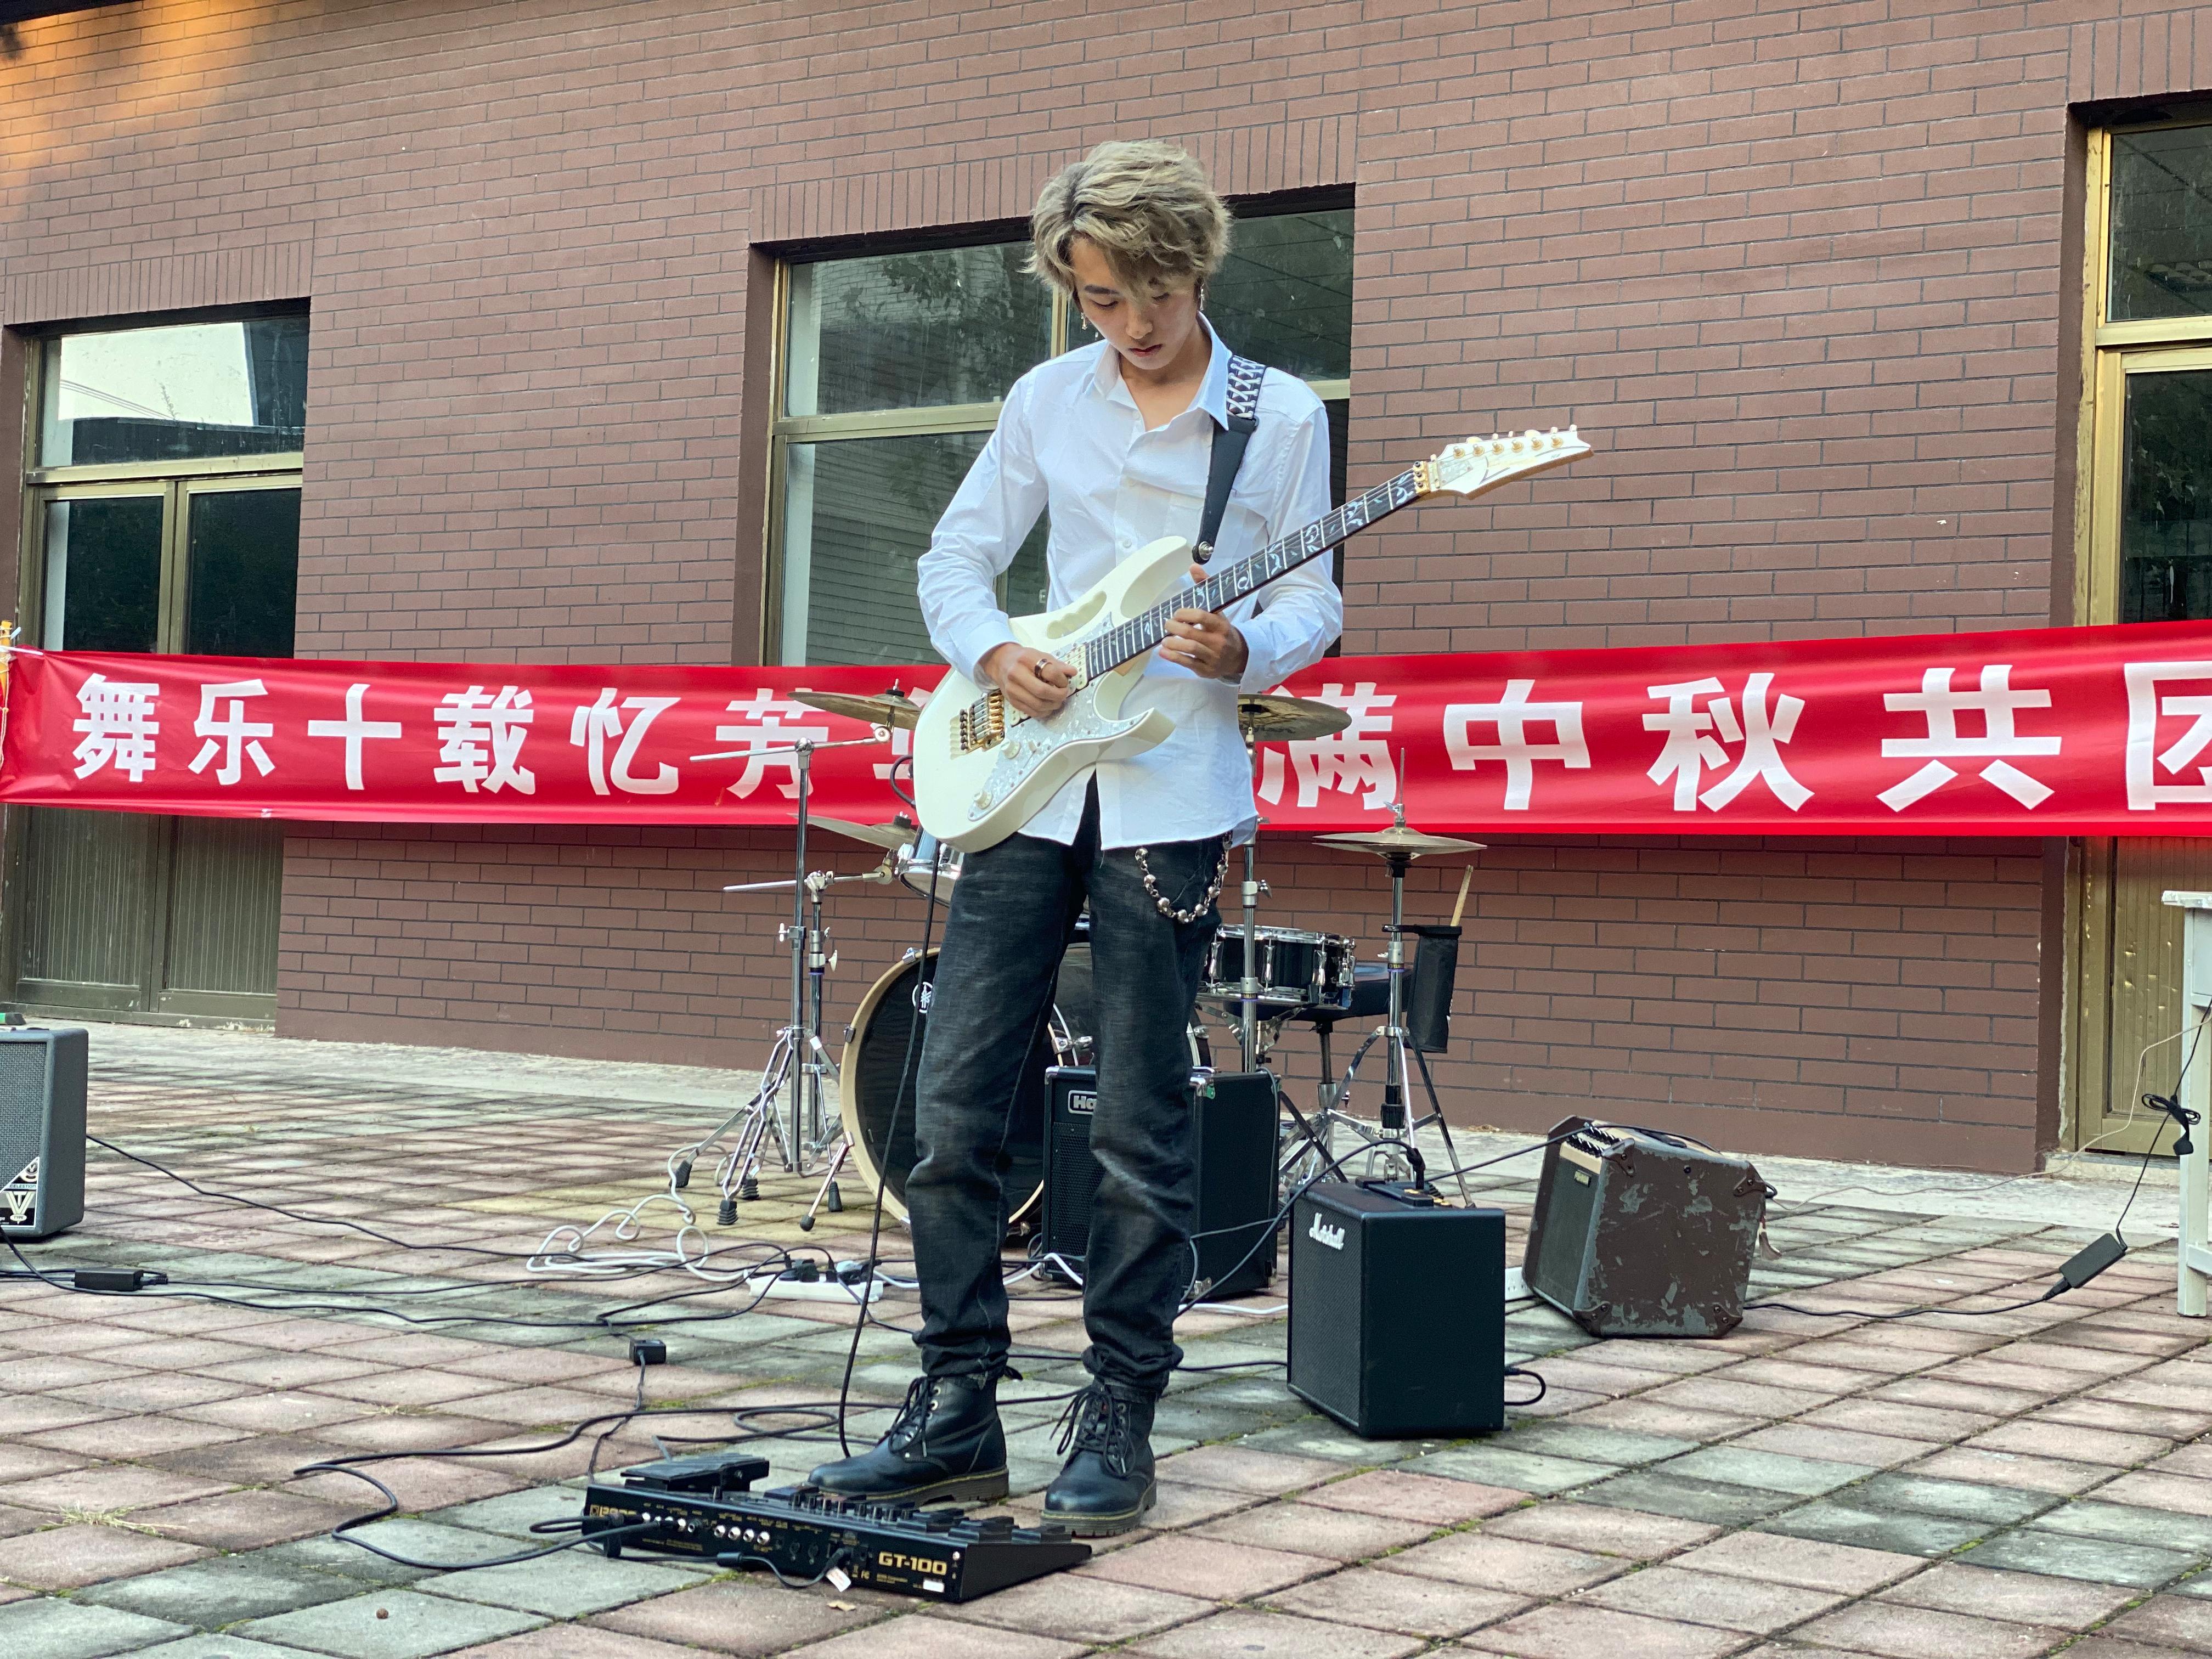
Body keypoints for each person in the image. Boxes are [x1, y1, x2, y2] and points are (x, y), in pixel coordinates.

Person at [808, 139, 1342, 1536]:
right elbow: (954, 560)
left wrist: (1248, 645)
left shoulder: (1276, 415)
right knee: (950, 1114)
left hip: (1170, 794)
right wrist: (993, 654)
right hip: (1027, 786)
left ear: (1197, 266)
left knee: (1139, 1127)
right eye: (1103, 299)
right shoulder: (1048, 398)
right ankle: (954, 1412)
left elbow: (1317, 600)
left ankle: (1120, 1412)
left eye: (1153, 291)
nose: (1134, 322)